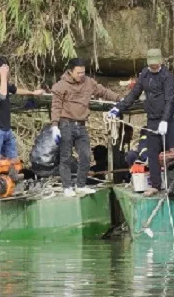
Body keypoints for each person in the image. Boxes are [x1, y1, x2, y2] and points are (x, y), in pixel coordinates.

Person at [50, 58, 124, 197]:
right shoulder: (60, 86)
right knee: (66, 157)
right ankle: (67, 187)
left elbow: (103, 91)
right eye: (78, 73)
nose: (81, 75)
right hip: (66, 124)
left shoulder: (88, 82)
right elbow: (56, 107)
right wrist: (55, 126)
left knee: (86, 156)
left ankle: (80, 185)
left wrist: (120, 99)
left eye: (83, 72)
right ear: (70, 71)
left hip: (81, 124)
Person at [110, 48, 174, 196]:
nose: (154, 66)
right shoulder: (144, 75)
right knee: (153, 153)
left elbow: (169, 99)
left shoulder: (167, 77)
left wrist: (165, 120)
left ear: (161, 61)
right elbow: (134, 94)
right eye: (151, 63)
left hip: (168, 120)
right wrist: (118, 107)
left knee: (172, 152)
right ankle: (155, 185)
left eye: (156, 63)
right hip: (152, 119)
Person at [0, 56, 44, 164]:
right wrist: (3, 77)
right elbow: (2, 95)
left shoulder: (5, 84)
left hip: (7, 129)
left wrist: (32, 92)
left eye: (7, 71)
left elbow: (15, 90)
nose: (6, 74)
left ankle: (11, 175)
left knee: (13, 161)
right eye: (3, 71)